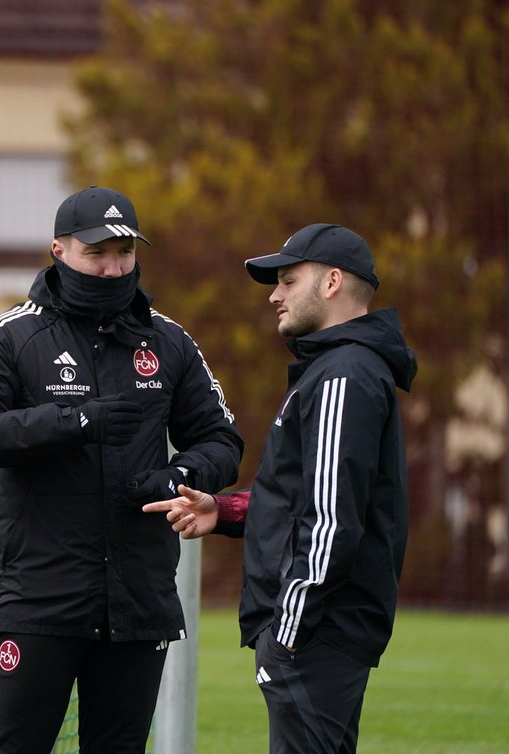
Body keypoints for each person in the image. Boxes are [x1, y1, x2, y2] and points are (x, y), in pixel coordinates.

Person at [0, 185, 244, 753]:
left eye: (125, 253)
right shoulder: (11, 335)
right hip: (40, 603)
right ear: (58, 250)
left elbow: (221, 438)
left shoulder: (170, 341)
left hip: (138, 606)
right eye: (97, 253)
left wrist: (181, 475)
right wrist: (75, 421)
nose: (112, 268)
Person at [144, 223, 417, 753]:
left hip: (316, 634)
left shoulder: (344, 375)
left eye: (289, 280)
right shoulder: (336, 370)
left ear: (333, 281)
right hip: (319, 634)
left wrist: (286, 634)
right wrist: (221, 511)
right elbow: (302, 496)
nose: (275, 294)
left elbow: (333, 519)